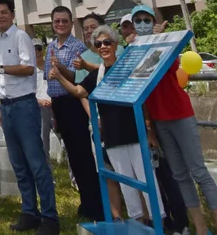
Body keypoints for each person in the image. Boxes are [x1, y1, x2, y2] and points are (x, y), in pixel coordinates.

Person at [51, 24, 165, 224]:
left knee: (147, 179)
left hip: (134, 132)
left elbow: (143, 99)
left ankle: (158, 220)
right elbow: (79, 92)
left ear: (115, 44)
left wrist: (149, 130)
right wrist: (59, 76)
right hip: (112, 136)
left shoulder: (128, 67)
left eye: (107, 42)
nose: (103, 47)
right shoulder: (97, 74)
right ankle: (138, 220)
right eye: (98, 44)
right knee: (125, 182)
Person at [133, 4, 217, 235]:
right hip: (159, 119)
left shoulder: (168, 43)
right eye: (139, 20)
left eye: (147, 19)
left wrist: (160, 42)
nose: (143, 24)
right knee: (179, 174)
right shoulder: (134, 49)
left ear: (154, 21)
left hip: (180, 114)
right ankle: (200, 227)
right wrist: (149, 127)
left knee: (199, 171)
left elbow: (172, 67)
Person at [0, 0, 58, 235]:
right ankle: (30, 211)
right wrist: (0, 104)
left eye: (3, 12)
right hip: (6, 107)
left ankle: (50, 217)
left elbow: (28, 68)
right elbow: (1, 78)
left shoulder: (21, 37)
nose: (0, 16)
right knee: (18, 164)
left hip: (25, 106)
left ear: (12, 13)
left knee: (36, 163)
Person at [45, 5, 103, 222]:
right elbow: (48, 79)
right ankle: (85, 202)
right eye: (56, 21)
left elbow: (76, 79)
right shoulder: (51, 46)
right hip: (58, 104)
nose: (60, 24)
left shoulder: (77, 46)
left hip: (74, 102)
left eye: (64, 21)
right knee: (73, 157)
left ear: (70, 23)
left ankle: (94, 204)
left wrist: (60, 68)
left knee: (84, 156)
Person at [34, 39, 54, 168]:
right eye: (33, 49)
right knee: (43, 142)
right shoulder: (28, 70)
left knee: (67, 141)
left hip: (55, 106)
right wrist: (39, 101)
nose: (36, 52)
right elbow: (26, 92)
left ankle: (75, 178)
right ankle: (48, 174)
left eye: (39, 48)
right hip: (40, 108)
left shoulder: (51, 66)